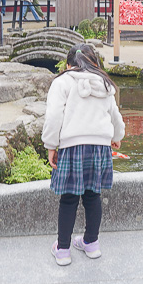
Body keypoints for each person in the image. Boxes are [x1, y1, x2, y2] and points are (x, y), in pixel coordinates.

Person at [42, 43, 125, 266]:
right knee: (93, 195)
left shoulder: (62, 82)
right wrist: (117, 136)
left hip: (72, 145)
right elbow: (114, 115)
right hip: (99, 146)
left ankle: (62, 250)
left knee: (69, 198)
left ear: (69, 65)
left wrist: (51, 145)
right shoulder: (105, 83)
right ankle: (91, 243)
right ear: (94, 63)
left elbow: (53, 116)